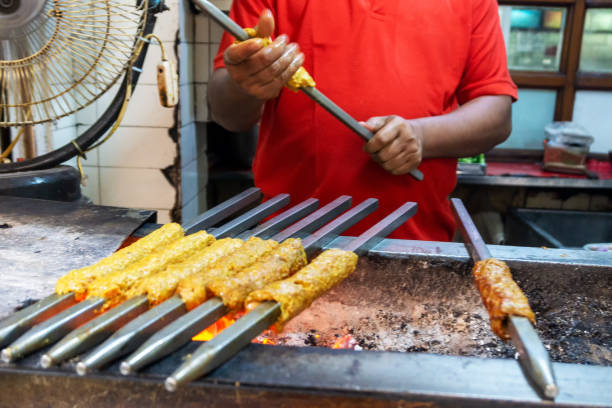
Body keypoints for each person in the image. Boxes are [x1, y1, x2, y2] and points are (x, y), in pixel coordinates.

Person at [208, 0, 517, 241]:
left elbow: (496, 114)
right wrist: (245, 83)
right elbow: (227, 113)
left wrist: (423, 136)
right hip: (289, 237)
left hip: (414, 241)